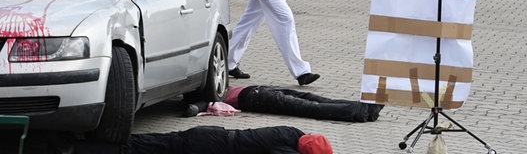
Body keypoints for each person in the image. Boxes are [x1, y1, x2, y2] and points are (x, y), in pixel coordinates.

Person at [46, 126, 333, 154]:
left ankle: (79, 142)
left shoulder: (292, 133)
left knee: (145, 144)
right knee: (138, 150)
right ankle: (77, 148)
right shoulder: (285, 149)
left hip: (210, 134)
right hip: (209, 147)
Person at [191, 85, 383, 123]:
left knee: (311, 107)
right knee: (313, 101)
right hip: (258, 91)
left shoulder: (203, 92)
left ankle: (361, 110)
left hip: (257, 97)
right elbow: (195, 107)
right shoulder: (210, 86)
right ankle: (366, 108)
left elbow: (194, 107)